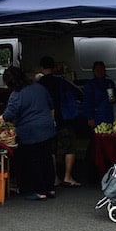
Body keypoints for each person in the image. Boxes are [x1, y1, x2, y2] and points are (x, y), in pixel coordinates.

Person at [0, 66, 56, 201]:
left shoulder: (17, 94)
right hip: (47, 127)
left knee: (34, 161)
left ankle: (40, 191)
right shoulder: (39, 87)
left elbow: (9, 114)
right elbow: (51, 106)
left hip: (30, 131)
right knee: (47, 158)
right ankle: (50, 188)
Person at [37, 55, 83, 187]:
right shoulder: (62, 81)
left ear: (42, 68)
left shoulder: (39, 85)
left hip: (47, 120)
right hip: (64, 118)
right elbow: (79, 93)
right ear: (54, 67)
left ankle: (55, 178)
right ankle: (68, 176)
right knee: (70, 147)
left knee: (51, 150)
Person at [83, 61, 116, 129]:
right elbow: (87, 102)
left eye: (102, 69)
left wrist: (114, 99)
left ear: (105, 70)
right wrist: (90, 118)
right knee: (99, 134)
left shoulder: (109, 83)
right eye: (97, 69)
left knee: (109, 133)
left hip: (109, 115)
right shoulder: (90, 85)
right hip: (97, 116)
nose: (100, 71)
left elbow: (114, 97)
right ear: (94, 71)